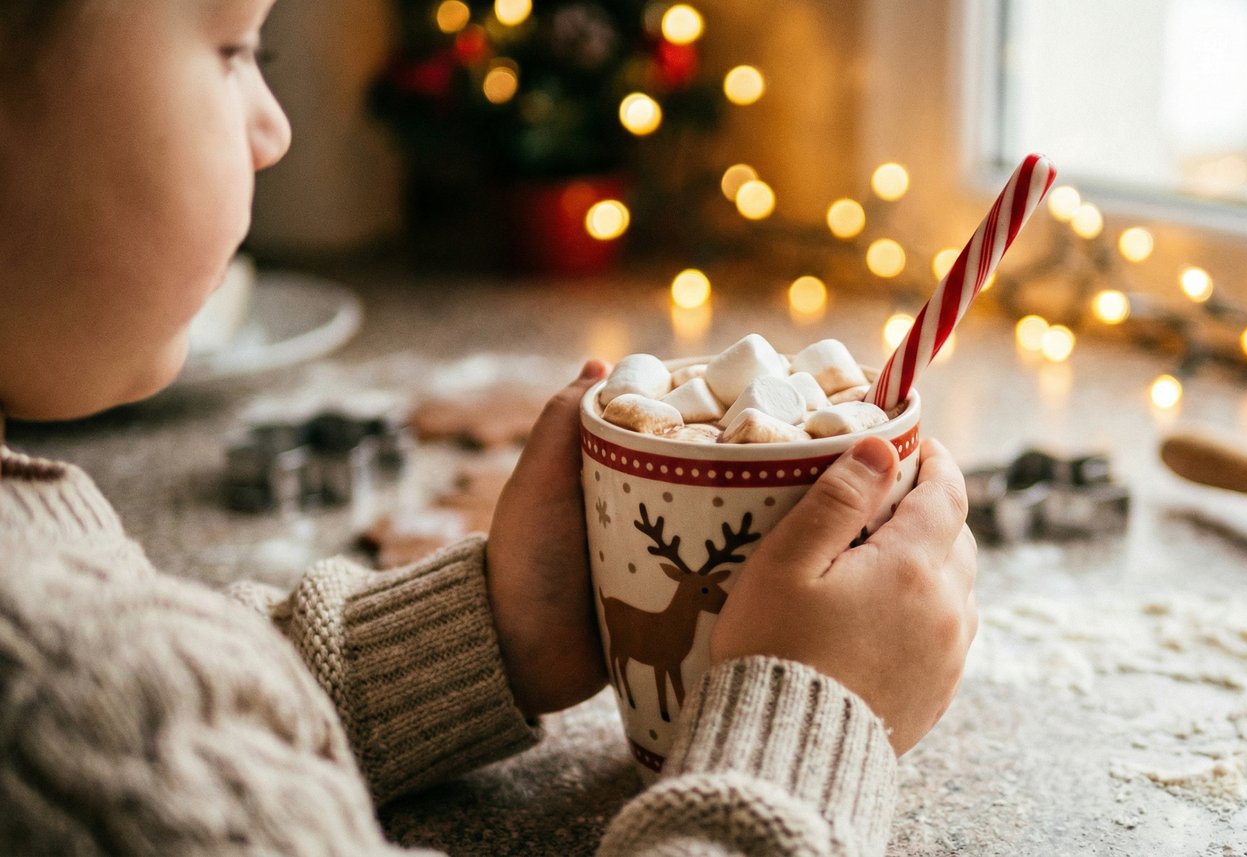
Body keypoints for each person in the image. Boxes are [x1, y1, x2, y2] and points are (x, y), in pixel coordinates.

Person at [0, 1, 979, 854]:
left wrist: (486, 635)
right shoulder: (58, 671)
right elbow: (110, 721)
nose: (274, 130)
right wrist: (807, 730)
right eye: (231, 50)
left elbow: (160, 727)